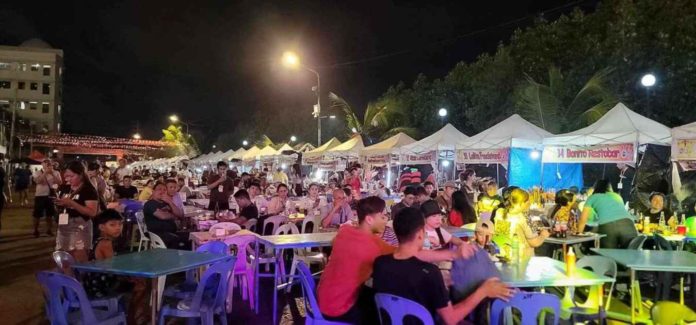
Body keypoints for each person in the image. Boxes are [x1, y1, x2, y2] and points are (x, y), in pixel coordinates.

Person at [317, 197, 477, 323]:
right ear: (369, 219)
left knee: (379, 294)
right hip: (338, 308)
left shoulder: (345, 231)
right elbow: (412, 254)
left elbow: (335, 243)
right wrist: (454, 255)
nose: (386, 219)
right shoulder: (373, 246)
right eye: (382, 216)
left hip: (322, 296)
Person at [372, 207, 513, 325]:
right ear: (421, 234)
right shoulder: (430, 273)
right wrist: (483, 291)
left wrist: (452, 257)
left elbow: (408, 259)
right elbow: (450, 319)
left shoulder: (380, 264)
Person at [84, 210, 147, 324]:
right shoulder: (106, 243)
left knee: (138, 280)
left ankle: (132, 315)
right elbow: (116, 269)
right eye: (112, 225)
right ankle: (132, 319)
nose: (118, 228)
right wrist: (131, 277)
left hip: (92, 282)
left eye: (120, 224)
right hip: (101, 286)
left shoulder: (97, 240)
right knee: (141, 286)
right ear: (102, 227)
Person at [54, 161, 100, 262]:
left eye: (71, 176)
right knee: (64, 259)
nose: (68, 179)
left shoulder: (88, 190)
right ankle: (67, 277)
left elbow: (92, 212)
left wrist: (72, 203)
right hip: (64, 225)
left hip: (80, 227)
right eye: (66, 177)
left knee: (79, 260)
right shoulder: (64, 188)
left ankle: (78, 277)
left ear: (81, 174)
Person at [578, 179, 637, 249]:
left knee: (609, 255)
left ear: (595, 187)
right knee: (631, 253)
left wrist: (579, 235)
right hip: (628, 224)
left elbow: (583, 219)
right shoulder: (617, 196)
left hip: (608, 226)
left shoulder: (592, 198)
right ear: (609, 187)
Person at [496, 188, 550, 258]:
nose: (529, 203)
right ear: (521, 203)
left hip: (503, 255)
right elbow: (534, 242)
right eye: (528, 201)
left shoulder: (499, 213)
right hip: (521, 259)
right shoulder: (524, 217)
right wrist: (543, 235)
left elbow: (500, 236)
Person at [143, 182, 189, 249]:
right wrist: (173, 216)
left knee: (191, 236)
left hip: (172, 232)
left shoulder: (166, 203)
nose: (162, 191)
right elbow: (163, 216)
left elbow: (180, 214)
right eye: (159, 189)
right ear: (153, 191)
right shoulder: (149, 204)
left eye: (164, 190)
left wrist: (170, 202)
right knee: (182, 242)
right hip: (159, 234)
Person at [32, 159, 62, 237]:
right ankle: (35, 230)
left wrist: (52, 174)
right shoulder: (37, 172)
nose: (48, 165)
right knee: (37, 214)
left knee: (50, 214)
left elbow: (59, 182)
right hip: (40, 195)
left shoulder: (56, 172)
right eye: (46, 163)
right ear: (42, 164)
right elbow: (38, 181)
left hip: (51, 196)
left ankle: (49, 230)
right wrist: (45, 172)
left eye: (50, 164)